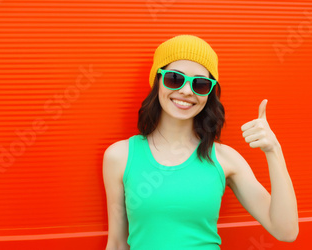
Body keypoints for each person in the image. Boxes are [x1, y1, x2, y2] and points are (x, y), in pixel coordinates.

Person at [103, 35, 298, 250]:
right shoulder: (120, 156)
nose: (187, 91)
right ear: (158, 81)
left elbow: (286, 231)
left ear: (209, 94)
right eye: (175, 79)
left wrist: (274, 150)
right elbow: (117, 243)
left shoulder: (226, 159)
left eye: (200, 84)